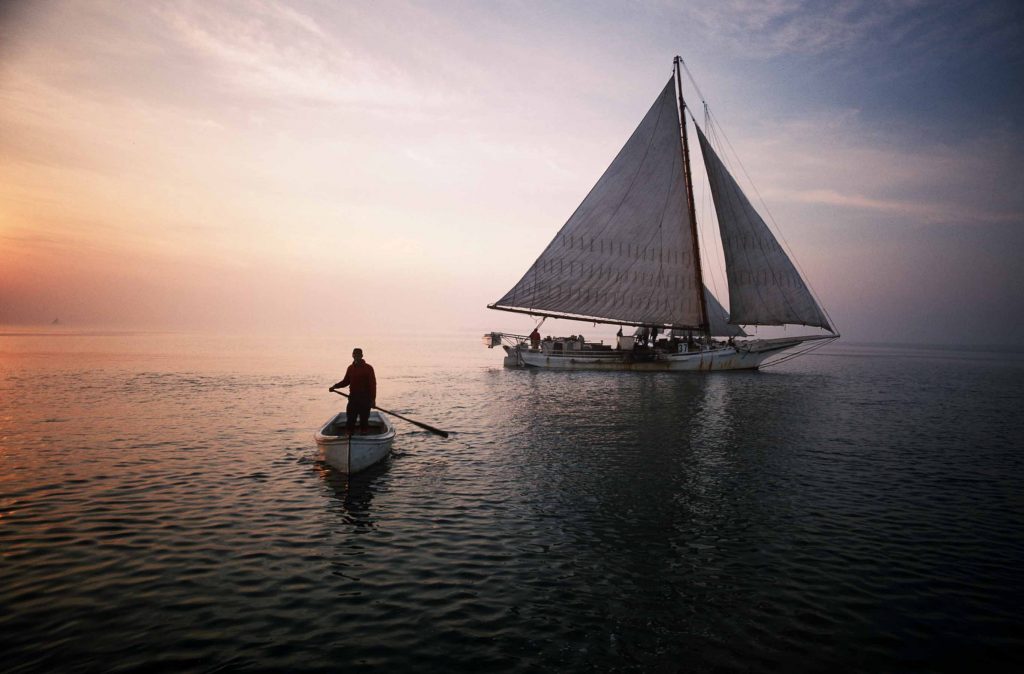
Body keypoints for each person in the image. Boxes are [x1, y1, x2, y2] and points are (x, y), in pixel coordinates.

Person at [329, 347, 376, 435]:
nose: (356, 356)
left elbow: (373, 385)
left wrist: (373, 400)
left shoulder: (368, 368)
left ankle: (364, 435)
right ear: (352, 355)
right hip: (353, 398)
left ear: (362, 355)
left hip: (365, 398)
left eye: (358, 354)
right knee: (350, 418)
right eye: (354, 354)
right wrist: (335, 386)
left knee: (364, 419)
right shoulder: (350, 368)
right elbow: (346, 381)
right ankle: (349, 435)